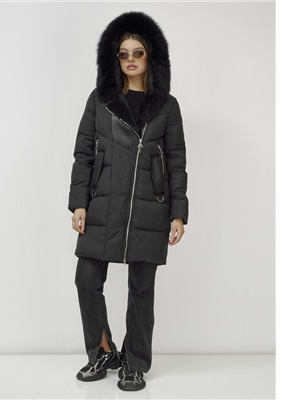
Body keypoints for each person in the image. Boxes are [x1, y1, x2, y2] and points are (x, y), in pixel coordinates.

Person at [68, 11, 189, 391]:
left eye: (138, 52)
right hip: (102, 203)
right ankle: (102, 351)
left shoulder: (167, 106)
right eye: (123, 54)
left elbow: (176, 161)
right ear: (114, 58)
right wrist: (79, 202)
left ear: (151, 57)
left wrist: (179, 213)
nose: (131, 59)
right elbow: (83, 153)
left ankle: (135, 363)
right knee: (87, 279)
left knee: (141, 289)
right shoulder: (99, 101)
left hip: (150, 207)